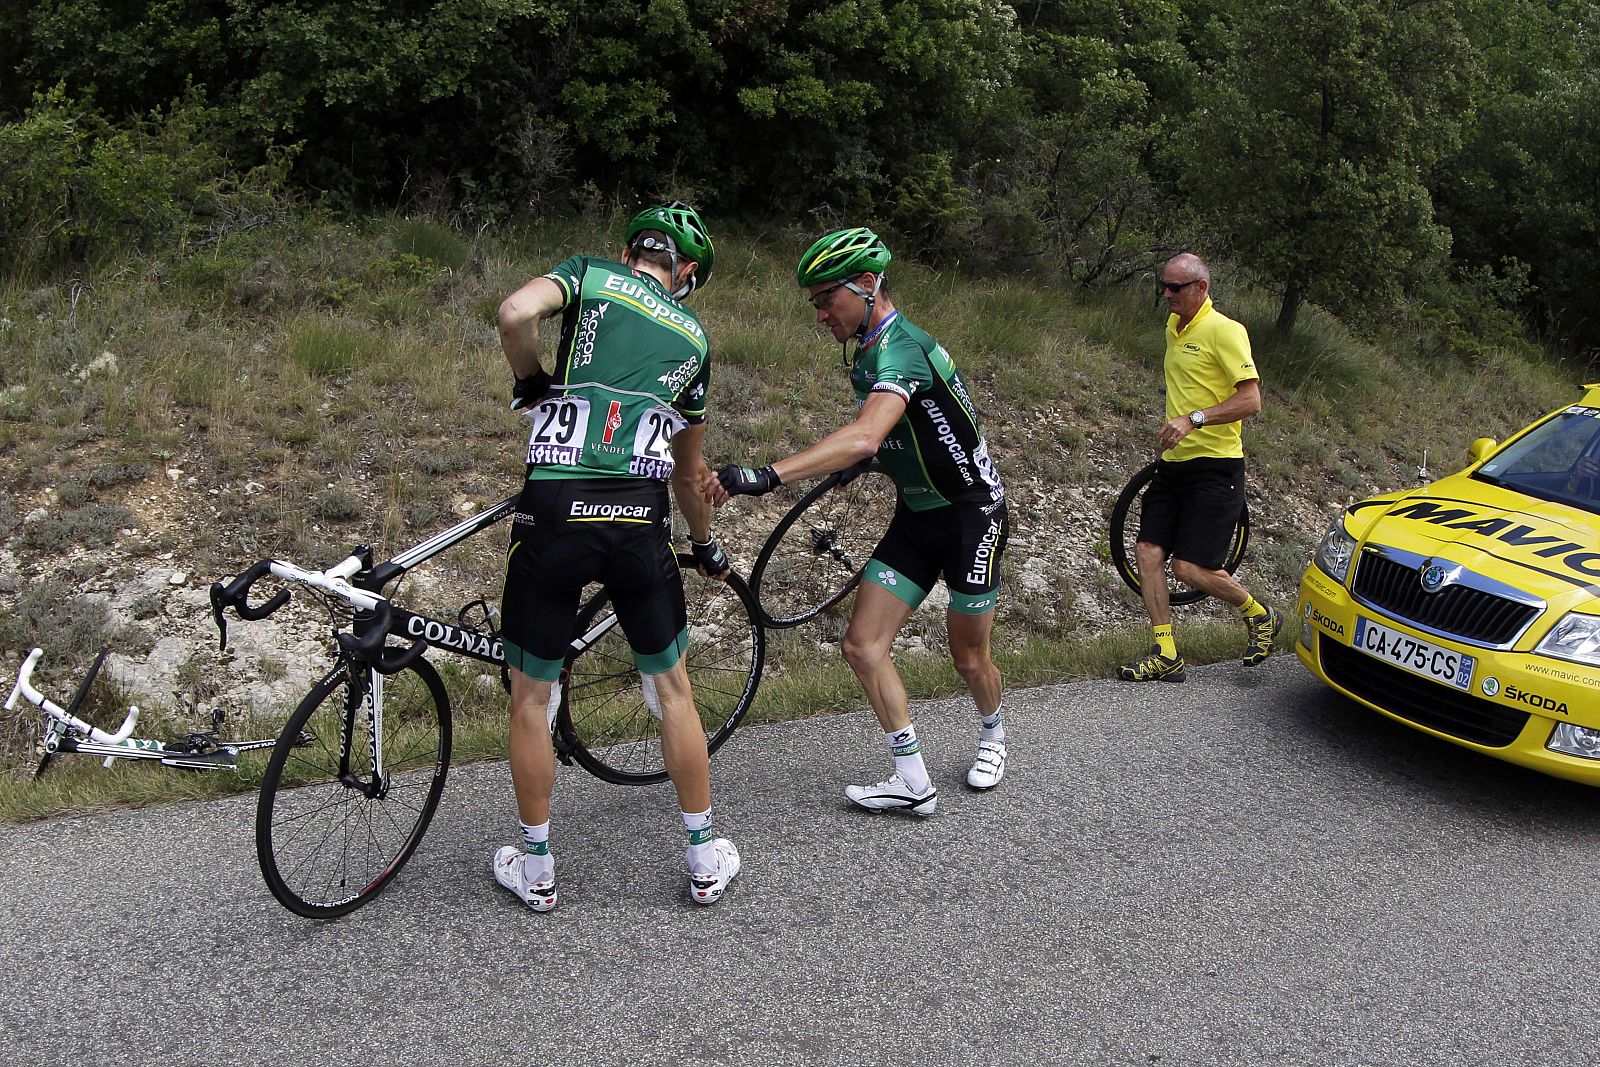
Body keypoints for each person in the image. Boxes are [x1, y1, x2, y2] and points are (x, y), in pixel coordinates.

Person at [708, 227, 1009, 815]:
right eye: (814, 302)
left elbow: (868, 430)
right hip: (918, 516)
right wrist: (870, 460)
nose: (820, 313)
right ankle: (912, 779)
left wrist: (768, 475)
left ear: (868, 285)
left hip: (973, 516)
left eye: (827, 298)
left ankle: (994, 732)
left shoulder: (902, 348)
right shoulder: (869, 353)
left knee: (969, 656)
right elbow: (898, 431)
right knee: (861, 644)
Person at [492, 201, 740, 909]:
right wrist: (704, 544)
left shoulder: (589, 275)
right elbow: (689, 476)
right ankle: (701, 860)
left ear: (634, 250)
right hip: (638, 519)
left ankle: (537, 870)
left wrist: (532, 381)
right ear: (685, 270)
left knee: (532, 696)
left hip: (555, 513)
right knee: (673, 690)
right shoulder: (693, 335)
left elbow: (515, 313)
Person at [1120, 252, 1280, 682]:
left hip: (1216, 467)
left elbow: (1252, 400)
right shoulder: (1173, 326)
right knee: (1148, 552)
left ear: (1201, 288)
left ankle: (1260, 614)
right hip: (1173, 465)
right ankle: (1166, 652)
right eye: (1164, 285)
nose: (1166, 294)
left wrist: (1194, 419)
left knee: (1189, 569)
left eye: (1176, 287)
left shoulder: (1225, 331)